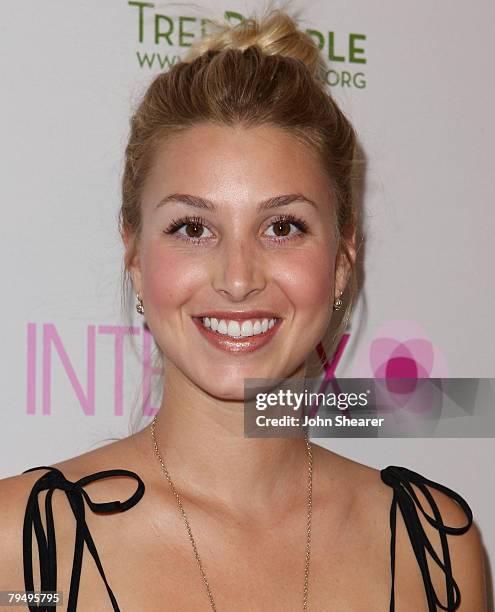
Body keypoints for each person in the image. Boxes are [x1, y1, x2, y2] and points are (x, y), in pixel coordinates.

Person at [0, 8, 487, 611]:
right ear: (133, 253)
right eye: (192, 227)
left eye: (282, 226)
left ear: (342, 258)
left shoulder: (433, 549)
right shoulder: (21, 550)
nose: (237, 279)